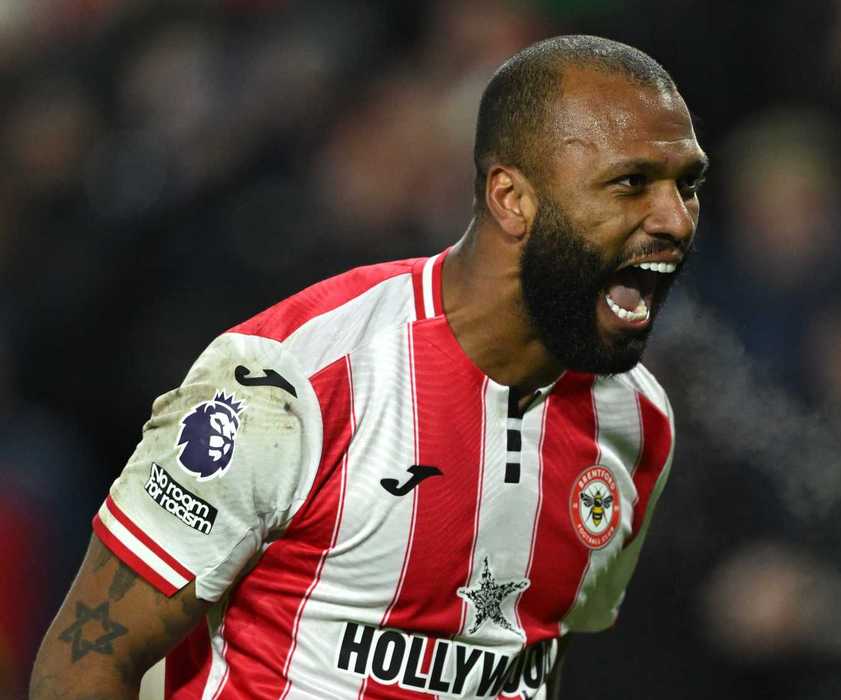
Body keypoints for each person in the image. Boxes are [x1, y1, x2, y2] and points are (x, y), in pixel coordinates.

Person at [31, 34, 708, 700]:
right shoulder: (290, 382)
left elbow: (524, 662)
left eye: (688, 184)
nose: (675, 220)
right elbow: (83, 663)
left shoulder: (637, 422)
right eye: (631, 183)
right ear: (512, 198)